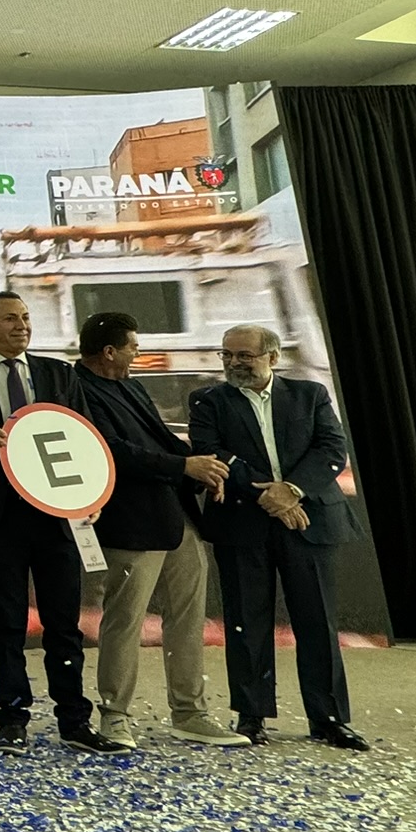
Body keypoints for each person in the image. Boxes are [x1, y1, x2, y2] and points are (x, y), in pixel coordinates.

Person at [0, 291, 126, 754]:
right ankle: (12, 719)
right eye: (10, 319)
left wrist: (92, 495)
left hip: (56, 516)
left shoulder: (57, 373)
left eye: (25, 317)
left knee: (63, 624)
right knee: (6, 621)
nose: (21, 325)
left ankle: (74, 721)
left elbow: (86, 437)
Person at [74, 311, 248, 750]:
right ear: (109, 352)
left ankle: (190, 713)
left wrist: (202, 470)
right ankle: (114, 717)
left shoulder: (130, 385)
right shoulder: (77, 391)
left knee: (188, 618)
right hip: (129, 523)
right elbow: (111, 451)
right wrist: (184, 466)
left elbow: (160, 441)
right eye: (133, 346)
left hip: (175, 516)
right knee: (124, 621)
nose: (138, 353)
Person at [190, 325, 366, 750]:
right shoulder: (208, 401)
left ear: (272, 357)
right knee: (246, 624)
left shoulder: (310, 394)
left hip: (309, 521)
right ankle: (251, 717)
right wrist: (270, 497)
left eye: (244, 356)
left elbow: (331, 448)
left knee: (317, 622)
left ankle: (328, 719)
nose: (234, 363)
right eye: (227, 355)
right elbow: (212, 452)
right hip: (241, 524)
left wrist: (291, 491)